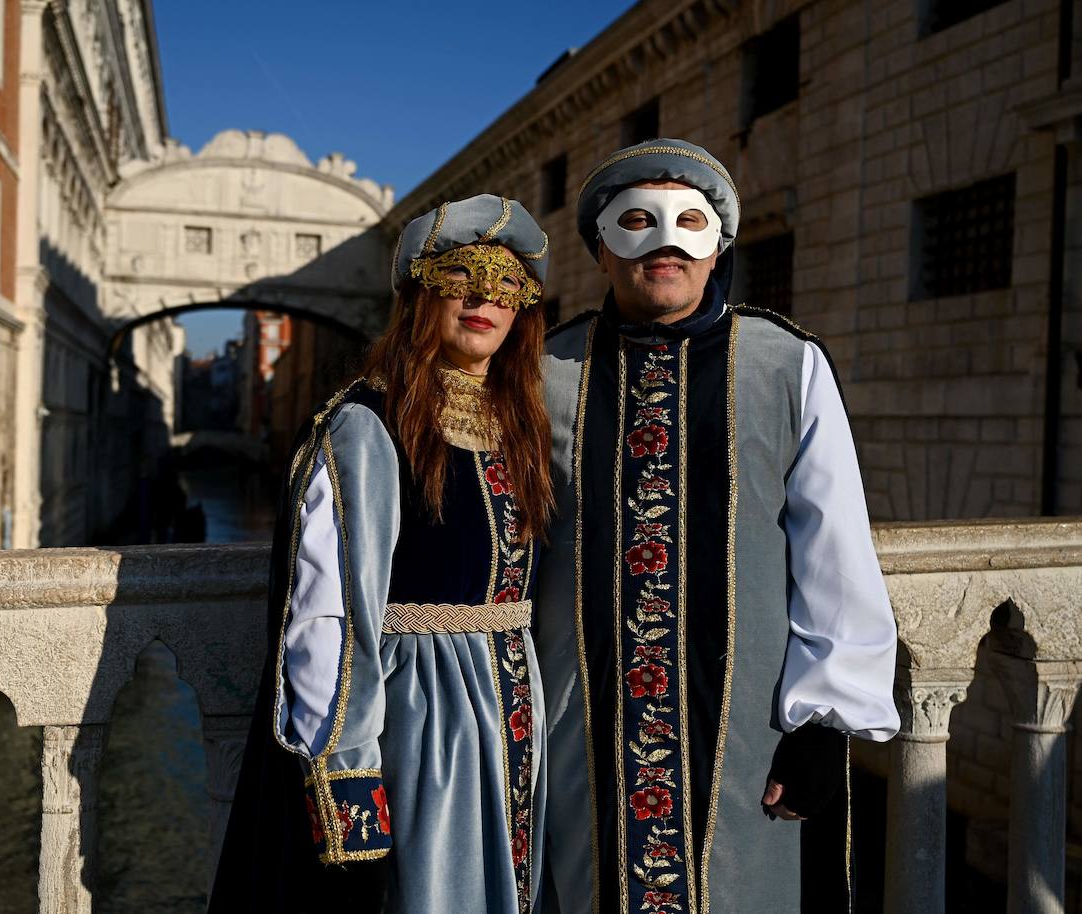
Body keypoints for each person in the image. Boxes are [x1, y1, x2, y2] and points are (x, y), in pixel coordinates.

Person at [533, 139, 900, 913]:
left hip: (744, 739)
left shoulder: (785, 364)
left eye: (688, 223)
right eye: (637, 221)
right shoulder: (543, 373)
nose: (665, 243)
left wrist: (825, 722)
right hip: (578, 737)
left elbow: (833, 548)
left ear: (719, 244)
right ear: (602, 246)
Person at [210, 194, 555, 914]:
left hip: (513, 715)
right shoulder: (370, 425)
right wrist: (348, 779)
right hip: (421, 717)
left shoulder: (520, 424)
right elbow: (330, 611)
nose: (486, 297)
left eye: (507, 285)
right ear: (420, 294)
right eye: (462, 276)